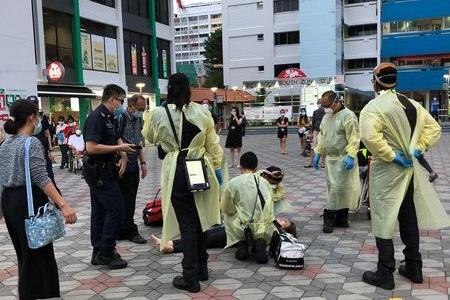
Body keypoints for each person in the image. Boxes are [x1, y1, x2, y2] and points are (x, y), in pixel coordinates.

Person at [359, 63, 450, 290]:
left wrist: (391, 155)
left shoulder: (373, 107)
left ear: (376, 81)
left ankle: (385, 272)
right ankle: (413, 266)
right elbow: (434, 128)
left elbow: (370, 138)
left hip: (386, 170)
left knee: (383, 217)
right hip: (409, 170)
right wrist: (418, 147)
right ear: (396, 81)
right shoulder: (413, 104)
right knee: (408, 217)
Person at [142, 73, 224, 293]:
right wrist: (217, 170)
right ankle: (202, 268)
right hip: (199, 165)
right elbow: (213, 145)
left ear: (169, 89)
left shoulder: (158, 113)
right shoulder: (203, 111)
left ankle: (190, 277)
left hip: (176, 168)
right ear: (189, 89)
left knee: (187, 222)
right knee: (201, 219)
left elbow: (149, 137)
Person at [0, 99, 77, 300]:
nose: (39, 120)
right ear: (32, 118)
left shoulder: (5, 144)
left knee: (25, 253)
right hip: (28, 200)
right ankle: (37, 294)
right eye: (38, 116)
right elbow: (41, 177)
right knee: (36, 253)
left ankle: (34, 293)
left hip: (10, 202)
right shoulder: (31, 142)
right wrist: (64, 205)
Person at [83, 84, 135, 270]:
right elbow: (91, 147)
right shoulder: (96, 118)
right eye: (121, 101)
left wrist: (122, 154)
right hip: (98, 172)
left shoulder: (111, 116)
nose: (121, 105)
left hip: (107, 170)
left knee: (100, 211)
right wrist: (119, 149)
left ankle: (98, 252)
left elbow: (116, 136)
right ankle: (106, 251)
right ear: (112, 99)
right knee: (116, 209)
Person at [313, 91, 360, 234]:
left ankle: (329, 218)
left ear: (336, 101)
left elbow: (354, 137)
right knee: (333, 188)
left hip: (344, 159)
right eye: (323, 106)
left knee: (338, 189)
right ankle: (341, 218)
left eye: (327, 105)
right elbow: (322, 135)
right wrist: (317, 152)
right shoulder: (326, 117)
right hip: (330, 160)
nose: (325, 108)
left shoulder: (348, 116)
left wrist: (351, 155)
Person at [221, 152, 274, 264]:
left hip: (242, 225)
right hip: (263, 226)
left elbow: (226, 207)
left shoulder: (233, 183)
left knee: (228, 213)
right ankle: (260, 241)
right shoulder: (265, 182)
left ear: (240, 166)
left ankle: (241, 242)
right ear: (256, 167)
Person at [151, 218, 297, 254]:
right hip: (231, 229)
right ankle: (169, 243)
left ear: (285, 228)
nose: (281, 219)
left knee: (204, 240)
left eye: (284, 221)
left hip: (233, 237)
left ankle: (171, 247)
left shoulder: (274, 233)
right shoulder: (269, 222)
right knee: (204, 235)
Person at [117, 94, 148, 244]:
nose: (141, 111)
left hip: (133, 160)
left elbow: (138, 141)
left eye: (144, 109)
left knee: (131, 197)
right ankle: (128, 229)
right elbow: (116, 138)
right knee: (126, 198)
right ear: (131, 105)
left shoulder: (137, 119)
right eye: (140, 108)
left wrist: (142, 162)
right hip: (123, 160)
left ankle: (124, 227)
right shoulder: (121, 116)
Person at [305, 100, 325, 168]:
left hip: (323, 132)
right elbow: (313, 123)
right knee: (313, 147)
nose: (319, 105)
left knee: (322, 147)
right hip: (316, 131)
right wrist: (311, 132)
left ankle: (323, 163)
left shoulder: (326, 112)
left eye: (320, 103)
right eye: (318, 103)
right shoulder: (315, 112)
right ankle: (310, 162)